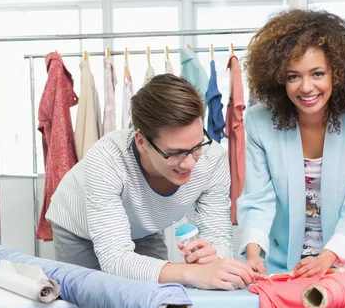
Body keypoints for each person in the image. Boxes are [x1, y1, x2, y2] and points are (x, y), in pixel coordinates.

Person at [46, 73, 255, 290]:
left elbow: (219, 237)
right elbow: (115, 259)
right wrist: (192, 273)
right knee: (89, 302)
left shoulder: (213, 158)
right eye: (175, 153)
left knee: (160, 302)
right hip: (79, 227)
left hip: (144, 228)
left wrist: (212, 257)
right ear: (141, 142)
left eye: (196, 147)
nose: (190, 164)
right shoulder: (107, 159)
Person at [237, 8, 345, 283]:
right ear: (278, 78)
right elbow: (257, 199)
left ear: (337, 73)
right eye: (293, 76)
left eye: (317, 74)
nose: (306, 87)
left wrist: (326, 259)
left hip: (344, 264)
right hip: (281, 263)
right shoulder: (260, 122)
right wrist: (253, 253)